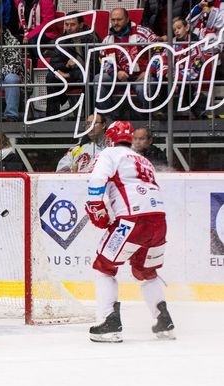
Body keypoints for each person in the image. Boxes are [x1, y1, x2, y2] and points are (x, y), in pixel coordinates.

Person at [85, 120, 175, 343]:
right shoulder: (143, 160)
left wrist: (97, 208)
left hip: (132, 221)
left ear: (109, 138)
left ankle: (109, 322)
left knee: (104, 267)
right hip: (159, 221)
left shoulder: (110, 154)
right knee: (145, 272)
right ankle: (163, 320)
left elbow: (97, 180)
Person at [93, 8, 157, 120]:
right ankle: (111, 116)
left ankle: (147, 117)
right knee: (98, 78)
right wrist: (116, 73)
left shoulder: (142, 32)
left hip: (142, 76)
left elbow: (160, 51)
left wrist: (149, 71)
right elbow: (103, 60)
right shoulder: (107, 40)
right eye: (113, 20)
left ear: (127, 19)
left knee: (143, 89)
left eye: (119, 19)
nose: (115, 23)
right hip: (119, 78)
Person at [45, 12, 100, 118]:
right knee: (51, 76)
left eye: (73, 24)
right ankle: (52, 117)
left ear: (81, 25)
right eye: (66, 24)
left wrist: (70, 74)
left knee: (85, 73)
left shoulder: (92, 38)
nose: (69, 28)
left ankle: (89, 115)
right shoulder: (61, 40)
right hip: (69, 75)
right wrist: (66, 66)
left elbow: (95, 65)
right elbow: (53, 63)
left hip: (87, 75)